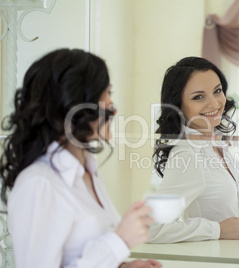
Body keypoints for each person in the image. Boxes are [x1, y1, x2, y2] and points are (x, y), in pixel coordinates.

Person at [0, 49, 161, 268]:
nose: (112, 106)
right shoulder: (39, 184)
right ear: (74, 103)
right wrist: (120, 241)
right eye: (105, 93)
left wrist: (123, 266)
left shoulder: (89, 173)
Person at [148, 57, 239, 243]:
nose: (214, 103)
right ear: (178, 106)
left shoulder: (217, 146)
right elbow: (151, 227)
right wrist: (216, 230)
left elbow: (232, 218)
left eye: (217, 91)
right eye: (198, 97)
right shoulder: (188, 153)